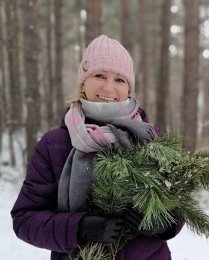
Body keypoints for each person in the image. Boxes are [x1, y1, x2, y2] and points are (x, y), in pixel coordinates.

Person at [11, 35, 184, 260]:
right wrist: (79, 228)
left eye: (119, 80)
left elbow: (179, 209)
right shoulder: (53, 145)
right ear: (83, 82)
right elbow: (25, 219)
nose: (109, 88)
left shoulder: (152, 139)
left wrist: (160, 222)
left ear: (129, 88)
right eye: (99, 75)